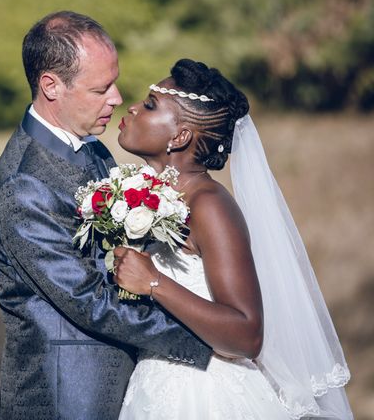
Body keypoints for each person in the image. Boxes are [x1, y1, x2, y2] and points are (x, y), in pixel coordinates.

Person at [0, 13, 212, 419]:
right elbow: (91, 302)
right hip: (66, 396)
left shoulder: (92, 147)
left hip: (118, 383)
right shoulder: (25, 185)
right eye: (101, 88)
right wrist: (206, 342)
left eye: (114, 82)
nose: (118, 98)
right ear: (51, 86)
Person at [113, 59, 353, 419]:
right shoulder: (161, 199)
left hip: (204, 397)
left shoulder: (209, 205)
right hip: (156, 386)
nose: (133, 107)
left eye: (150, 105)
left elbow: (246, 334)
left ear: (180, 137)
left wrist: (153, 281)